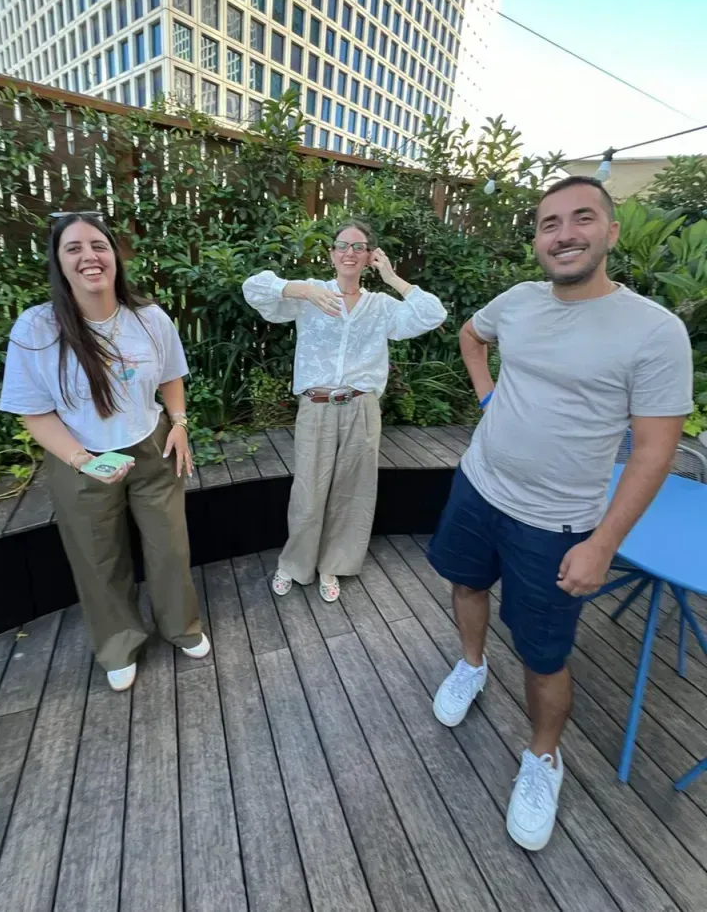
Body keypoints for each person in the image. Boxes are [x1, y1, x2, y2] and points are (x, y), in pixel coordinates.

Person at [427, 176, 693, 851]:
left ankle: (543, 758)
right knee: (463, 585)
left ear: (609, 232)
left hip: (559, 522)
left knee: (544, 656)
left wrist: (604, 541)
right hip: (479, 486)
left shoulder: (654, 331)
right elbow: (470, 334)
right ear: (537, 239)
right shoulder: (517, 302)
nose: (564, 232)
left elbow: (657, 450)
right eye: (550, 222)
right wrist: (487, 396)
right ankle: (471, 663)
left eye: (582, 218)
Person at [0, 212, 210, 692]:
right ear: (58, 262)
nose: (88, 257)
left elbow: (171, 376)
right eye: (73, 248)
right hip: (81, 458)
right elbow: (34, 413)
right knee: (97, 558)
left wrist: (178, 423)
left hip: (153, 447)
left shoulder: (149, 317)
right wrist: (83, 461)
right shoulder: (36, 329)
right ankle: (118, 643)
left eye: (97, 245)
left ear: (114, 255)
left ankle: (181, 627)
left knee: (170, 547)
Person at [243, 218, 447, 602]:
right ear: (331, 254)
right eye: (342, 245)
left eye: (359, 247)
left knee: (352, 492)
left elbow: (432, 314)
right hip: (317, 407)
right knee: (308, 489)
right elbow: (254, 289)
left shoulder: (381, 306)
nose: (349, 253)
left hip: (361, 407)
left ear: (371, 255)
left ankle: (333, 564)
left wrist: (393, 278)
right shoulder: (311, 295)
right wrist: (300, 289)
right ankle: (294, 563)